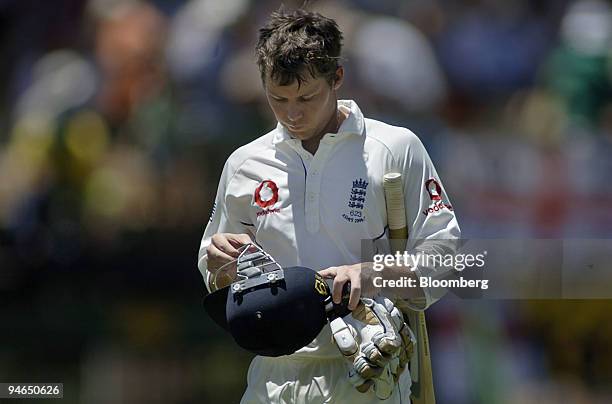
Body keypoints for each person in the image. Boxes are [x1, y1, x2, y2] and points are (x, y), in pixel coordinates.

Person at [198, 9, 460, 404]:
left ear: (337, 78)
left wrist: (371, 274)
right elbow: (212, 268)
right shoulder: (244, 163)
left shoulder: (395, 148)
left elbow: (447, 257)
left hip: (370, 370)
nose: (293, 113)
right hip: (273, 377)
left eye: (306, 97)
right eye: (278, 98)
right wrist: (219, 265)